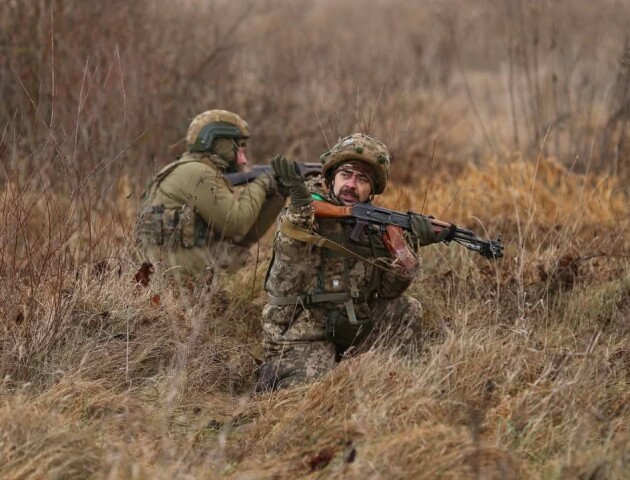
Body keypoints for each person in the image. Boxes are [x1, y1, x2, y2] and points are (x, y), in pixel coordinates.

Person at [256, 133, 455, 391]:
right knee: (311, 397)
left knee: (406, 309)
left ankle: (397, 387)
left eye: (362, 179)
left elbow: (387, 292)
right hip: (302, 331)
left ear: (372, 190)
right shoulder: (305, 212)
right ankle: (280, 370)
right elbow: (294, 229)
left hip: (350, 325)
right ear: (331, 178)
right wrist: (300, 201)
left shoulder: (375, 226)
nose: (351, 184)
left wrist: (406, 250)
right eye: (345, 174)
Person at [135, 109, 286, 285]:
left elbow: (243, 238)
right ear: (219, 144)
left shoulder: (181, 169)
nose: (243, 160)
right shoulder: (198, 172)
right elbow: (236, 225)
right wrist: (260, 184)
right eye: (238, 147)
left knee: (236, 251)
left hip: (167, 274)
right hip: (179, 280)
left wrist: (279, 194)